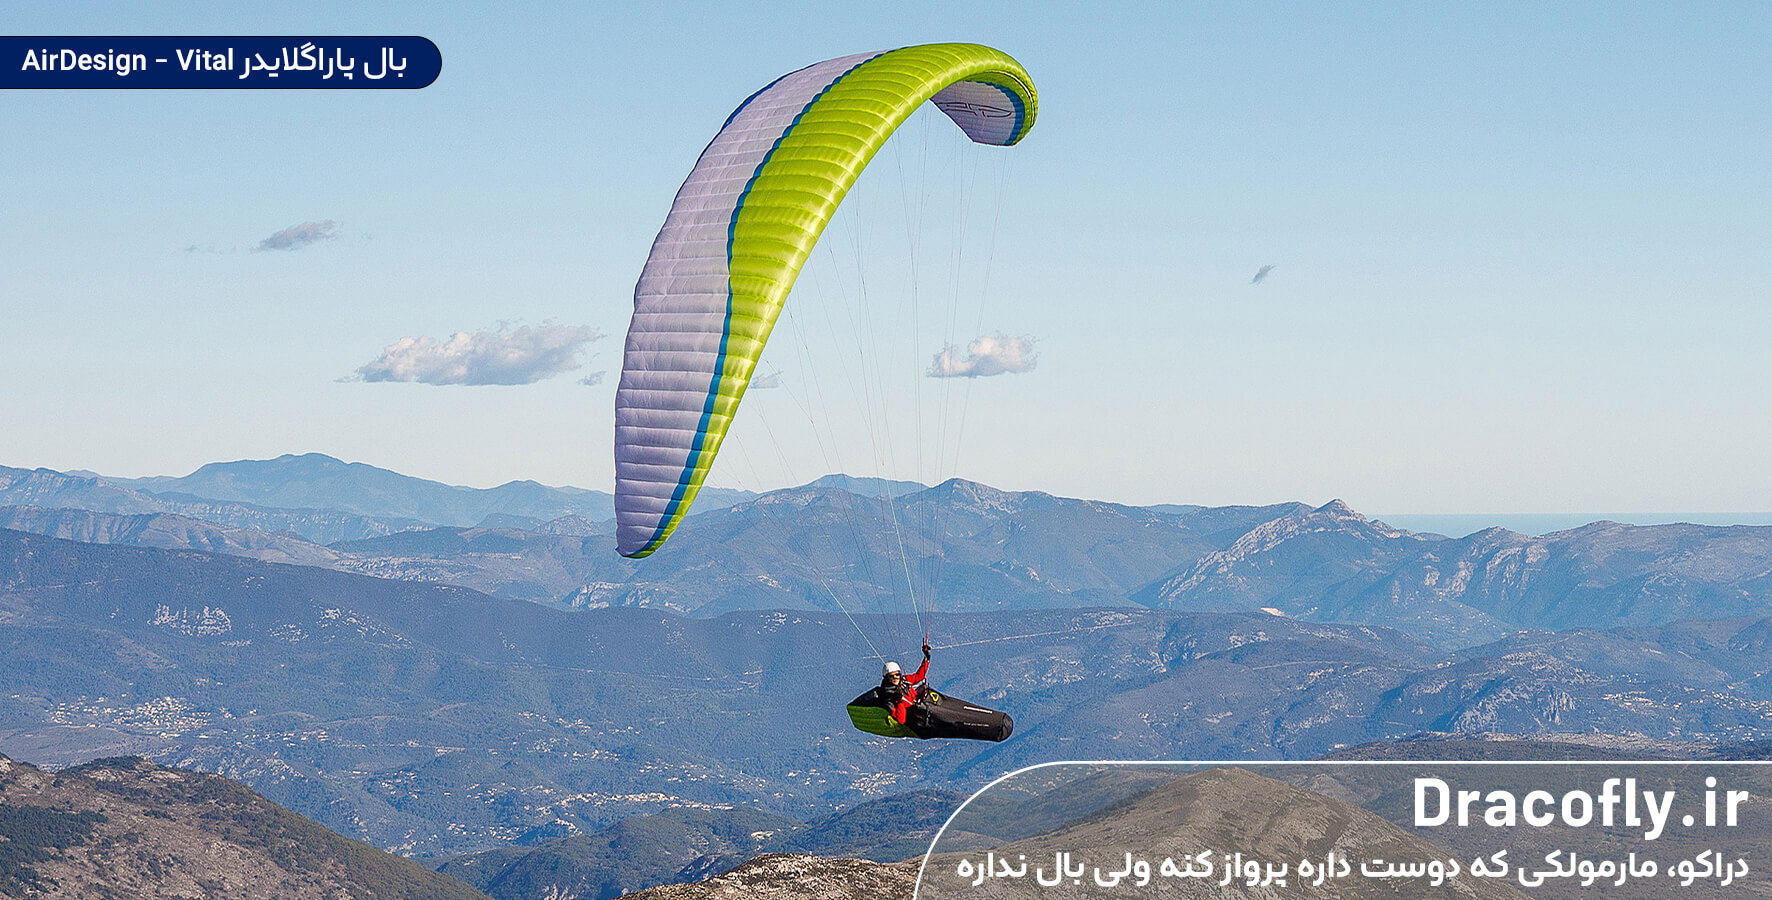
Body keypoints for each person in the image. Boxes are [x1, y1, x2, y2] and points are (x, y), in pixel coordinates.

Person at [880, 642, 932, 726]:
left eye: (897, 674)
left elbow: (918, 676)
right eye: (891, 676)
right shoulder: (889, 696)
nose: (895, 678)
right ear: (886, 678)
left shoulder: (904, 680)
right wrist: (899, 702)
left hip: (920, 704)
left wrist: (926, 658)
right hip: (916, 716)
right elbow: (901, 719)